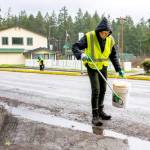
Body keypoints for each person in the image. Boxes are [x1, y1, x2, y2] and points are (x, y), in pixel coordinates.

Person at [72, 17, 124, 126]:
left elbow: (113, 55)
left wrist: (119, 69)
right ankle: (95, 115)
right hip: (92, 66)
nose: (105, 35)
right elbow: (75, 46)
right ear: (99, 31)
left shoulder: (110, 39)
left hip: (103, 66)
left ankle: (100, 111)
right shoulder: (90, 36)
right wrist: (81, 54)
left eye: (107, 33)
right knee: (96, 90)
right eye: (103, 33)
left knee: (103, 89)